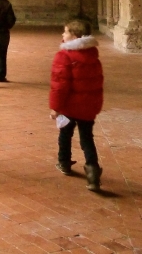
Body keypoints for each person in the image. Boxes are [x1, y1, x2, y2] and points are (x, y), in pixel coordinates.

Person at [49, 19, 104, 191]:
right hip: (88, 105)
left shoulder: (64, 56)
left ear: (74, 36)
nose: (62, 35)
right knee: (87, 138)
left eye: (65, 32)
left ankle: (64, 162)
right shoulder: (92, 55)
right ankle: (93, 170)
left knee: (65, 134)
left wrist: (55, 107)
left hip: (69, 106)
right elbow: (97, 81)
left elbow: (59, 85)